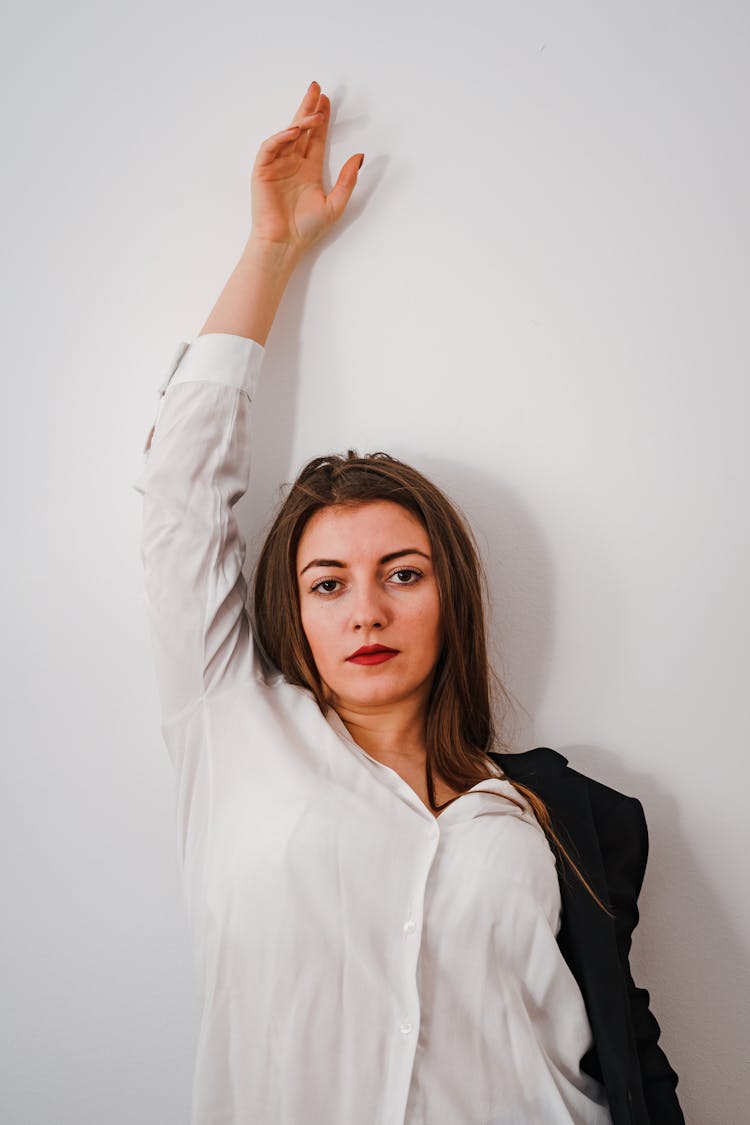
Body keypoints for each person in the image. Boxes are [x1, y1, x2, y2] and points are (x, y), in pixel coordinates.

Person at [133, 81, 685, 1125]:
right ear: (292, 613)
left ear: (451, 598)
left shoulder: (559, 816)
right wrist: (271, 250)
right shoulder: (234, 730)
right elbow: (176, 498)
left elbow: (628, 1058)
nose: (367, 611)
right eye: (327, 583)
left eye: (404, 572)